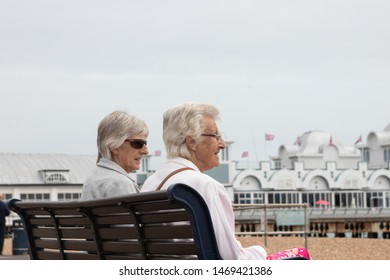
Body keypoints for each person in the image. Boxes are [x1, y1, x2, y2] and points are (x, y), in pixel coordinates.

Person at [141, 102, 311, 260]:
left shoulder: (150, 184)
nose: (221, 144)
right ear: (192, 142)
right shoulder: (202, 186)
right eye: (216, 135)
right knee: (301, 255)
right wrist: (260, 251)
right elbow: (232, 260)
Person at [81, 110, 149, 200]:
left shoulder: (93, 178)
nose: (146, 151)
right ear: (114, 146)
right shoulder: (120, 183)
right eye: (138, 143)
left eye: (145, 143)